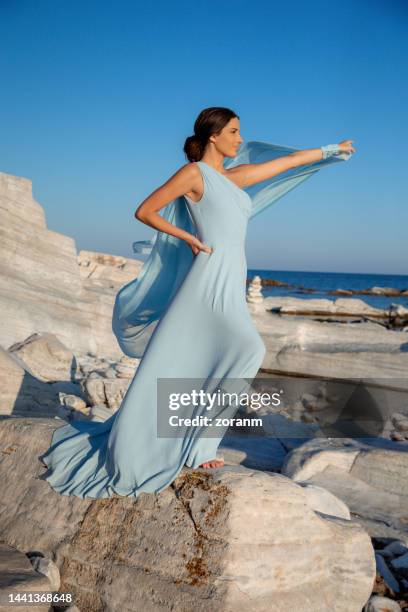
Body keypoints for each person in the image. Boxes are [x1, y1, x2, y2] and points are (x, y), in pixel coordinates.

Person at [39, 106, 355, 498]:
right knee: (246, 349)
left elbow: (288, 162)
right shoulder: (194, 175)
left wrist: (330, 150)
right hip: (204, 279)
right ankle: (199, 445)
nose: (241, 140)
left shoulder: (236, 179)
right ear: (214, 136)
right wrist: (187, 238)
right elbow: (145, 211)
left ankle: (195, 440)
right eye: (235, 132)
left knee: (231, 354)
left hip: (230, 281)